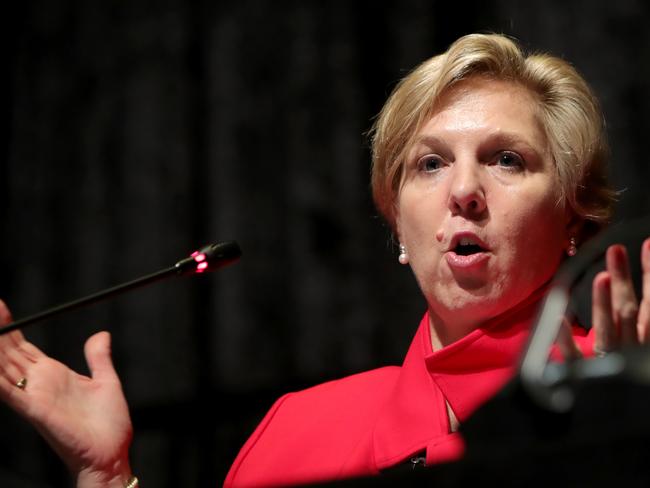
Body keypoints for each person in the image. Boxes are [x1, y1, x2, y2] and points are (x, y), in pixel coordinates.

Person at [0, 33, 648, 488]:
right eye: (430, 163)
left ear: (574, 218)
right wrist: (109, 478)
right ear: (398, 225)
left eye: (507, 159)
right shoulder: (299, 434)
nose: (463, 192)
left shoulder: (633, 387)